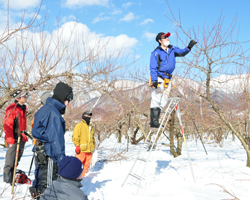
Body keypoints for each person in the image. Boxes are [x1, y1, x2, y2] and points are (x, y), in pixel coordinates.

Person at [32, 82, 73, 194]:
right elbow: (56, 140)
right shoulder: (53, 113)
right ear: (62, 96)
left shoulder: (44, 108)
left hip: (40, 152)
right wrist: (62, 162)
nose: (68, 103)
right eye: (68, 99)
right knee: (49, 188)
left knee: (40, 182)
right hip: (49, 154)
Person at [149, 32, 197, 128]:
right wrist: (154, 80)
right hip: (159, 78)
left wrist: (189, 47)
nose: (167, 39)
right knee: (156, 99)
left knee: (164, 100)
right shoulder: (156, 52)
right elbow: (153, 68)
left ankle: (156, 120)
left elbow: (182, 52)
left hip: (168, 79)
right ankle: (154, 121)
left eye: (167, 37)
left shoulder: (172, 49)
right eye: (165, 38)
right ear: (159, 40)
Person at [29, 91, 53, 199]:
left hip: (38, 146)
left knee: (39, 172)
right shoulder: (47, 113)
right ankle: (40, 194)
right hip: (43, 147)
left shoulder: (39, 113)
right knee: (43, 174)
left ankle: (37, 193)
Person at [3, 90, 29, 184]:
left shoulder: (23, 107)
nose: (26, 97)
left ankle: (13, 178)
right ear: (18, 98)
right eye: (24, 96)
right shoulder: (12, 108)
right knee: (10, 159)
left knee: (17, 159)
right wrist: (10, 140)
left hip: (21, 136)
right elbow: (7, 125)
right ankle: (7, 180)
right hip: (14, 136)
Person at [72, 111, 95, 177]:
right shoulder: (79, 125)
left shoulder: (91, 126)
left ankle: (83, 178)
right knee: (77, 164)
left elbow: (93, 137)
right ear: (84, 117)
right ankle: (74, 177)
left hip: (90, 149)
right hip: (81, 149)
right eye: (87, 117)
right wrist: (77, 145)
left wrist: (93, 146)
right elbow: (75, 136)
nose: (89, 118)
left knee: (86, 166)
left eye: (90, 117)